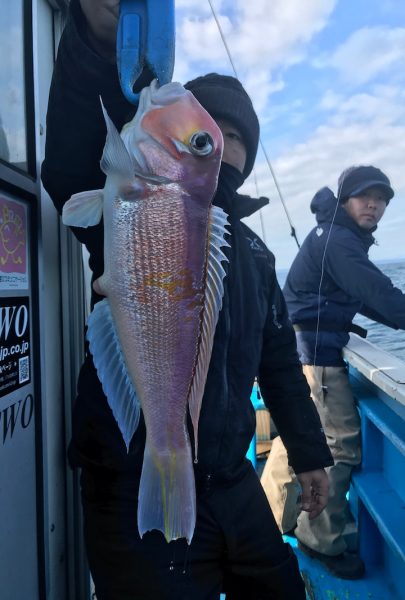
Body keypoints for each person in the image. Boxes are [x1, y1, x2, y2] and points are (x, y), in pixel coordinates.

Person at [41, 1, 334, 599]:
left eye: (236, 140)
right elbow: (71, 160)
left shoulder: (252, 254)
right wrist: (98, 39)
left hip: (230, 480)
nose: (225, 149)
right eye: (212, 135)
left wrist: (309, 453)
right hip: (129, 474)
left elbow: (277, 362)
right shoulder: (127, 198)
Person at [261, 165, 405, 580]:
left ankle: (271, 517)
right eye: (365, 196)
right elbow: (378, 292)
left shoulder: (334, 237)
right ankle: (320, 539)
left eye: (381, 199)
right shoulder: (342, 242)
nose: (374, 205)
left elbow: (365, 298)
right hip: (318, 356)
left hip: (298, 351)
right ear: (346, 200)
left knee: (295, 440)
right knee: (337, 447)